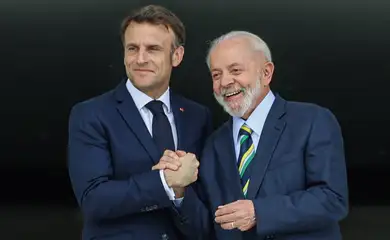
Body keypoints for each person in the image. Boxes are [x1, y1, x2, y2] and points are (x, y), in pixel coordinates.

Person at [164, 31, 349, 239]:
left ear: (266, 73)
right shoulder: (213, 144)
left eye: (235, 70)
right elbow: (207, 227)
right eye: (216, 74)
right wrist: (179, 191)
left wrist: (259, 213)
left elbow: (333, 199)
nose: (224, 82)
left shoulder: (312, 121)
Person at [67, 5, 212, 240]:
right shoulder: (91, 114)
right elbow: (93, 201)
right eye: (132, 48)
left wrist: (179, 191)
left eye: (153, 49)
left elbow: (203, 206)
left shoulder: (197, 116)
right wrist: (165, 181)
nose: (140, 59)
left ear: (177, 56)